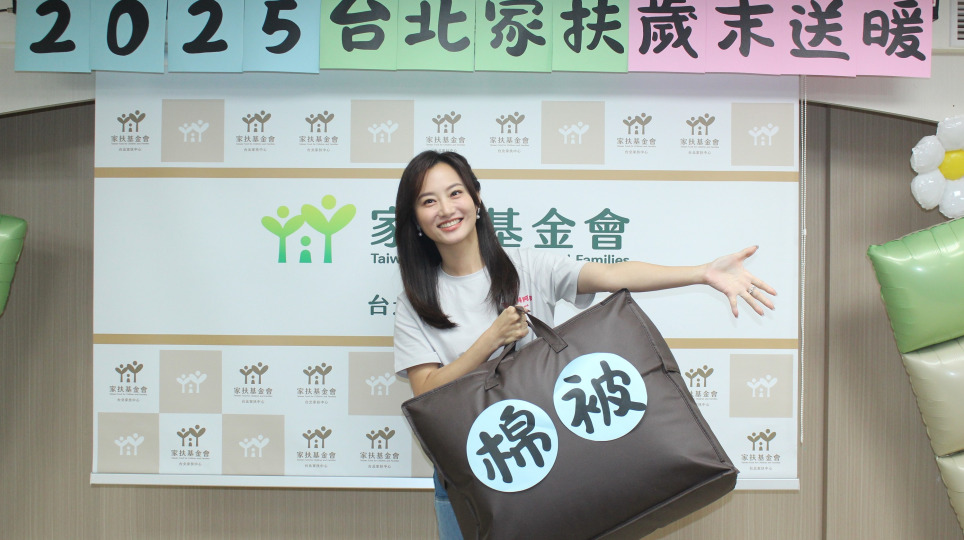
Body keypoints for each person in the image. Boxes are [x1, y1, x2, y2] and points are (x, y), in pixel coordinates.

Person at [392, 150, 776, 540]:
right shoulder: (414, 303)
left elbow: (612, 275)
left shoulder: (527, 266)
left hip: (551, 461)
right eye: (428, 201)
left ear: (476, 199)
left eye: (455, 193)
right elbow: (425, 393)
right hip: (477, 470)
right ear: (416, 220)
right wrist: (489, 342)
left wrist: (701, 272)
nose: (446, 209)